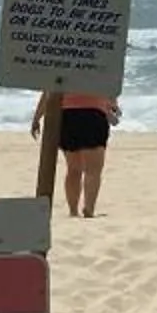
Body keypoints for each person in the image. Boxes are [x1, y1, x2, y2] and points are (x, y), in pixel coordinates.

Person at [34, 88, 119, 217]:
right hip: (93, 114)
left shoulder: (63, 67)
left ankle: (73, 210)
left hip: (67, 116)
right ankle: (89, 209)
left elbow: (49, 91)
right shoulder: (101, 67)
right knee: (93, 170)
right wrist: (113, 105)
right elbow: (109, 85)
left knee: (73, 169)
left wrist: (37, 118)